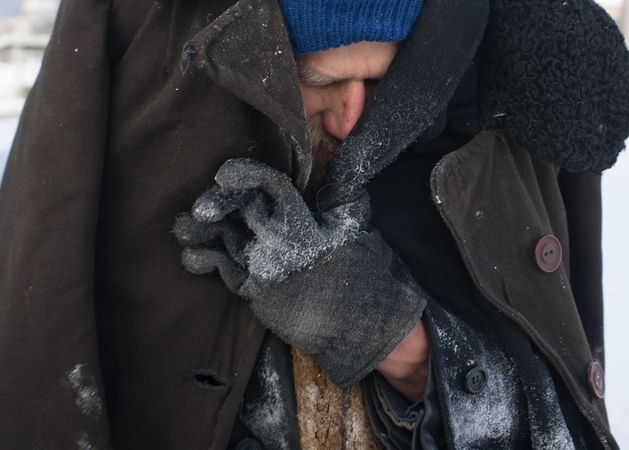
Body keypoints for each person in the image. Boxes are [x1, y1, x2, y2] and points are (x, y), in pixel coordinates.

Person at [0, 0, 628, 448]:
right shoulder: (140, 61)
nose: (351, 119)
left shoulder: (505, 113)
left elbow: (555, 423)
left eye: (382, 81)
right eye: (318, 81)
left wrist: (398, 345)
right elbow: (42, 329)